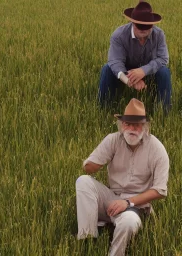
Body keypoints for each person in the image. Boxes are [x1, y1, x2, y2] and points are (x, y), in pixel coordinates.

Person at [76, 98, 169, 256]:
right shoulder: (113, 140)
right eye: (128, 124)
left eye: (137, 124)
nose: (132, 128)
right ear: (121, 125)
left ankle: (115, 253)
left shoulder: (157, 149)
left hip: (135, 206)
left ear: (145, 127)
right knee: (83, 181)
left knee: (128, 222)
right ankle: (88, 240)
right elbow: (88, 167)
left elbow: (160, 191)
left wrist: (128, 202)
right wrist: (95, 164)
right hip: (112, 198)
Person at [98, 2, 171, 111]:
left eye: (147, 26)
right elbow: (115, 62)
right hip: (126, 71)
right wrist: (130, 80)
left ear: (153, 24)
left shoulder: (159, 34)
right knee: (107, 68)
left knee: (164, 71)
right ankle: (103, 109)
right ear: (132, 22)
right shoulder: (119, 35)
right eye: (139, 25)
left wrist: (143, 71)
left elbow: (163, 58)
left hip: (149, 71)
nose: (143, 29)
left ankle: (163, 112)